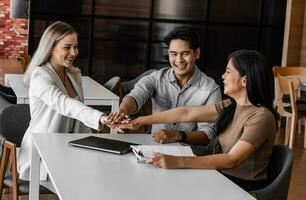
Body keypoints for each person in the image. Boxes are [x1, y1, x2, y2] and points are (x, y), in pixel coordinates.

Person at [117, 49, 276, 191]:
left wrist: (178, 162)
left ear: (244, 81)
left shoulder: (261, 117)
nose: (223, 76)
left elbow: (232, 159)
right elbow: (185, 113)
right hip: (222, 177)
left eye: (228, 72)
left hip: (243, 188)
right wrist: (139, 121)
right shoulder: (230, 105)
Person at [18, 21, 114, 181]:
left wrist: (91, 146)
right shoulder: (40, 75)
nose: (74, 52)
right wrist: (101, 117)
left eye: (75, 47)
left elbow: (79, 116)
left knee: (104, 169)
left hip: (69, 148)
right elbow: (64, 104)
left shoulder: (72, 74)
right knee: (89, 178)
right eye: (67, 47)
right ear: (50, 48)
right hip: (43, 153)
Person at [109, 27, 221, 152]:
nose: (179, 60)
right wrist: (122, 111)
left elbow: (207, 136)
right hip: (155, 148)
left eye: (185, 53)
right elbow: (135, 96)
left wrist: (178, 136)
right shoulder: (156, 78)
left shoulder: (210, 89)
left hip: (189, 153)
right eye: (174, 54)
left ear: (197, 53)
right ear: (168, 53)